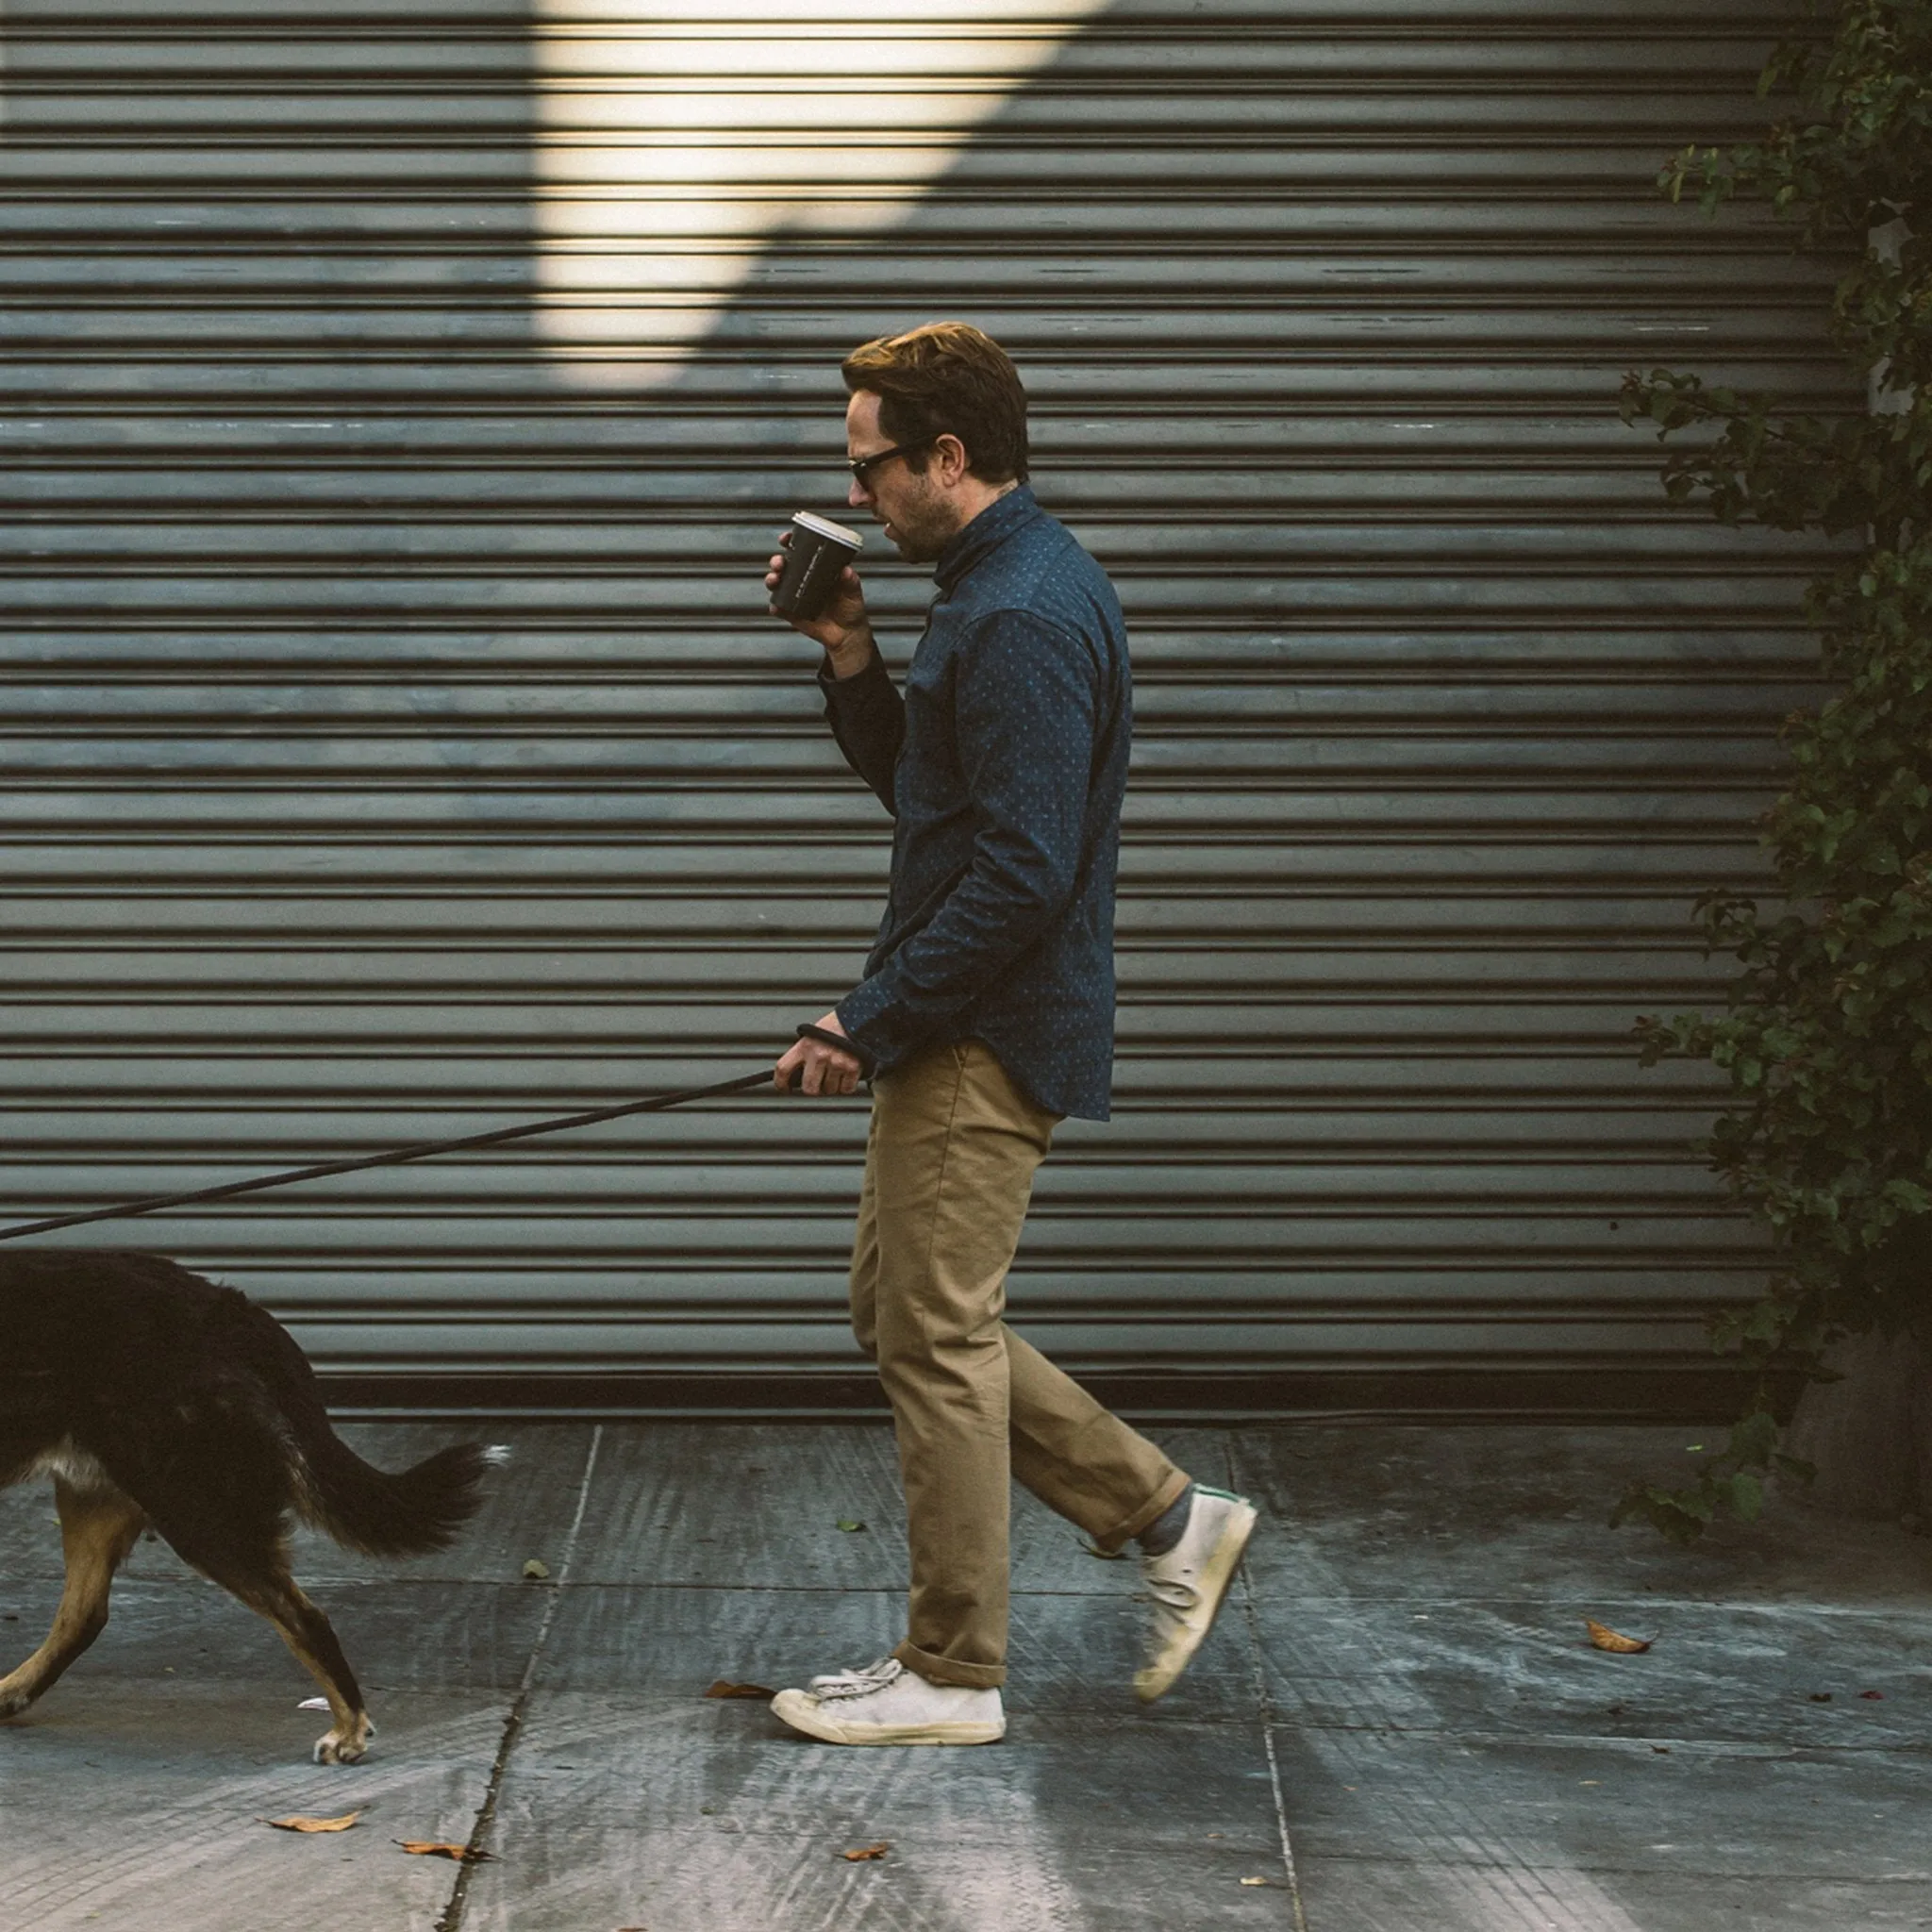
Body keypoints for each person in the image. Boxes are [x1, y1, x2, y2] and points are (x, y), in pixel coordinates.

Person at [762, 322, 1255, 1746]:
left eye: (870, 469)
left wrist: (868, 1014)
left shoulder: (1023, 612)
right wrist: (849, 652)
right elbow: (942, 802)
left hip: (981, 1032)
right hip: (956, 1018)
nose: (856, 498)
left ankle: (953, 1672)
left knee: (932, 1331)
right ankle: (1167, 1517)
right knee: (907, 1315)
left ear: (949, 458)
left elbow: (1027, 872)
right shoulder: (991, 589)